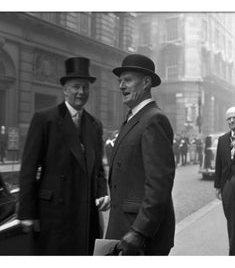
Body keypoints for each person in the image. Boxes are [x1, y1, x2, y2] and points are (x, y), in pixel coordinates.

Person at [18, 57, 110, 255]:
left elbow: (99, 169)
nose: (81, 92)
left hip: (85, 211)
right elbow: (29, 167)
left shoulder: (95, 125)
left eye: (85, 87)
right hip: (54, 212)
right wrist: (27, 212)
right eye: (76, 86)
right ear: (65, 89)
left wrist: (102, 192)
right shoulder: (45, 119)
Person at [105, 54, 176, 255]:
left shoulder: (154, 120)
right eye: (120, 81)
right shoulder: (134, 118)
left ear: (146, 82)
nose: (121, 86)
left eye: (127, 80)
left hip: (140, 234)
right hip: (124, 225)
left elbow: (159, 184)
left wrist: (139, 231)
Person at [214, 106, 235, 255]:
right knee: (232, 223)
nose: (232, 120)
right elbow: (219, 163)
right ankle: (234, 253)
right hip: (228, 187)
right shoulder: (223, 139)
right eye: (229, 118)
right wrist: (218, 186)